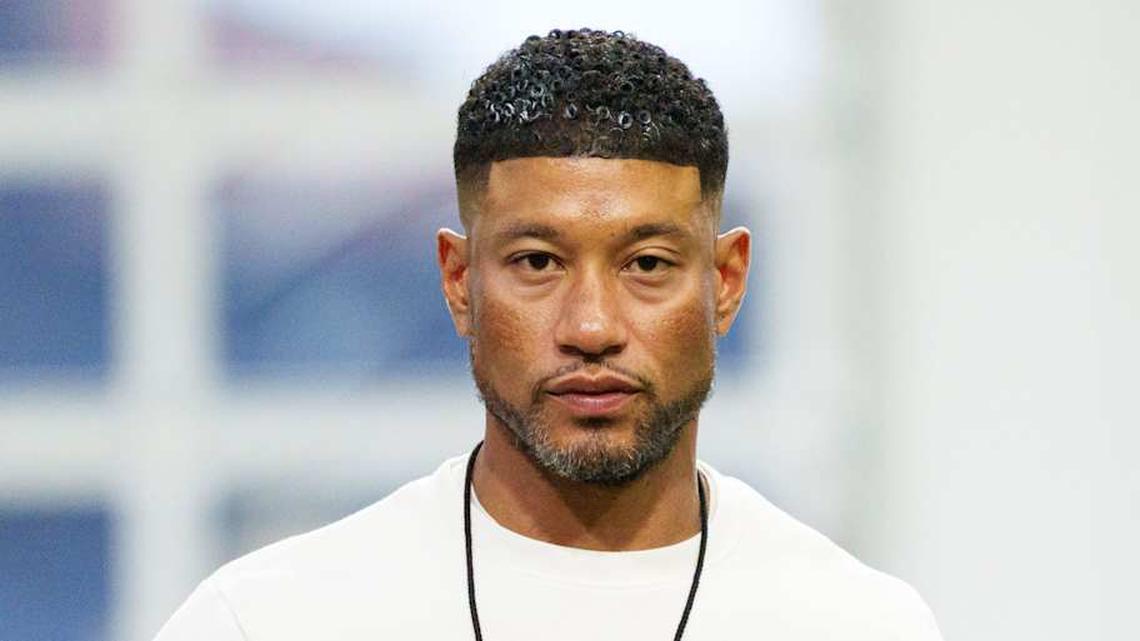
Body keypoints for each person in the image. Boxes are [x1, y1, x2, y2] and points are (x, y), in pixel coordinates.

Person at [154, 28, 943, 640]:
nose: (591, 326)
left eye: (647, 262)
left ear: (725, 281)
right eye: (537, 261)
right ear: (459, 281)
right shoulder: (271, 622)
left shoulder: (854, 622)